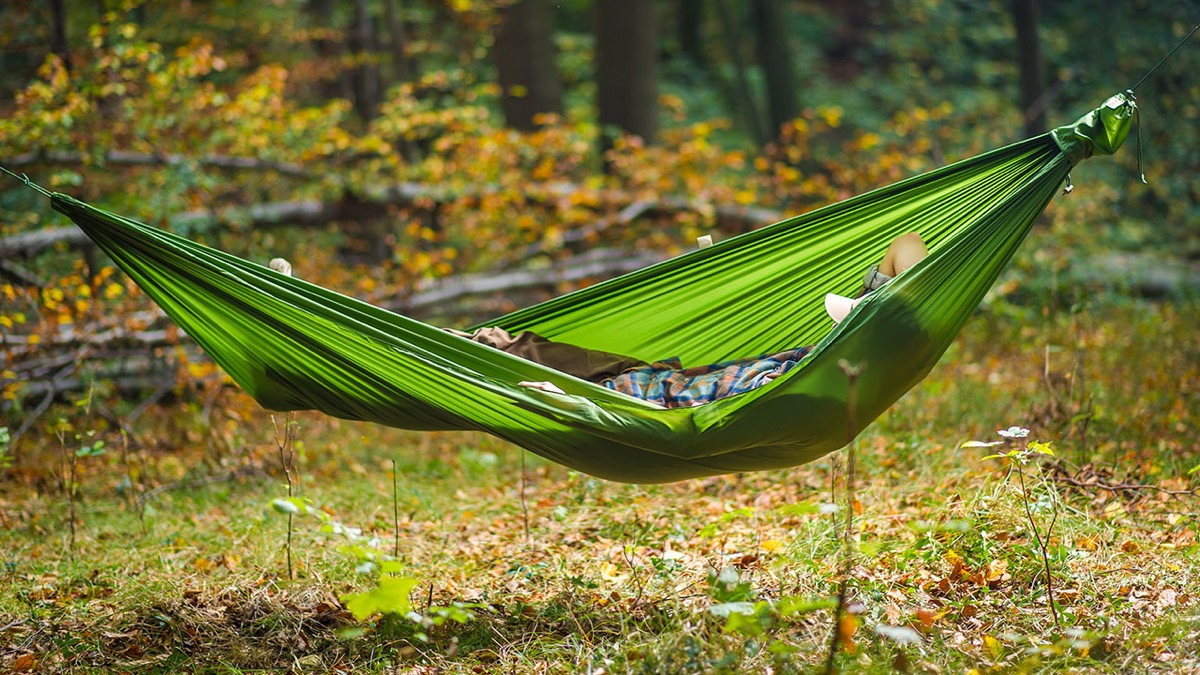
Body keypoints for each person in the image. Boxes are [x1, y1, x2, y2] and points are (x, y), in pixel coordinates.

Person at [456, 233, 930, 408]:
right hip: (644, 374)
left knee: (501, 359)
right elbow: (906, 242)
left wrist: (569, 399)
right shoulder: (820, 358)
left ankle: (438, 352)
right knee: (509, 345)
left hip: (620, 397)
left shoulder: (802, 383)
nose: (833, 325)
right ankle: (443, 346)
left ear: (857, 340)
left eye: (843, 321)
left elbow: (662, 421)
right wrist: (898, 299)